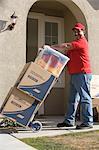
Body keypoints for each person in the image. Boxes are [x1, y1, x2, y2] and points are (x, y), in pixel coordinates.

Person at [51, 23, 93, 129]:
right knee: (72, 99)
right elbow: (66, 56)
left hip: (82, 74)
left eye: (79, 30)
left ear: (84, 31)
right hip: (74, 74)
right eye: (75, 31)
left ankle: (88, 122)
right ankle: (69, 121)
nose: (76, 33)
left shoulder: (81, 42)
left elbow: (66, 46)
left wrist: (50, 47)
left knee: (85, 98)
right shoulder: (75, 46)